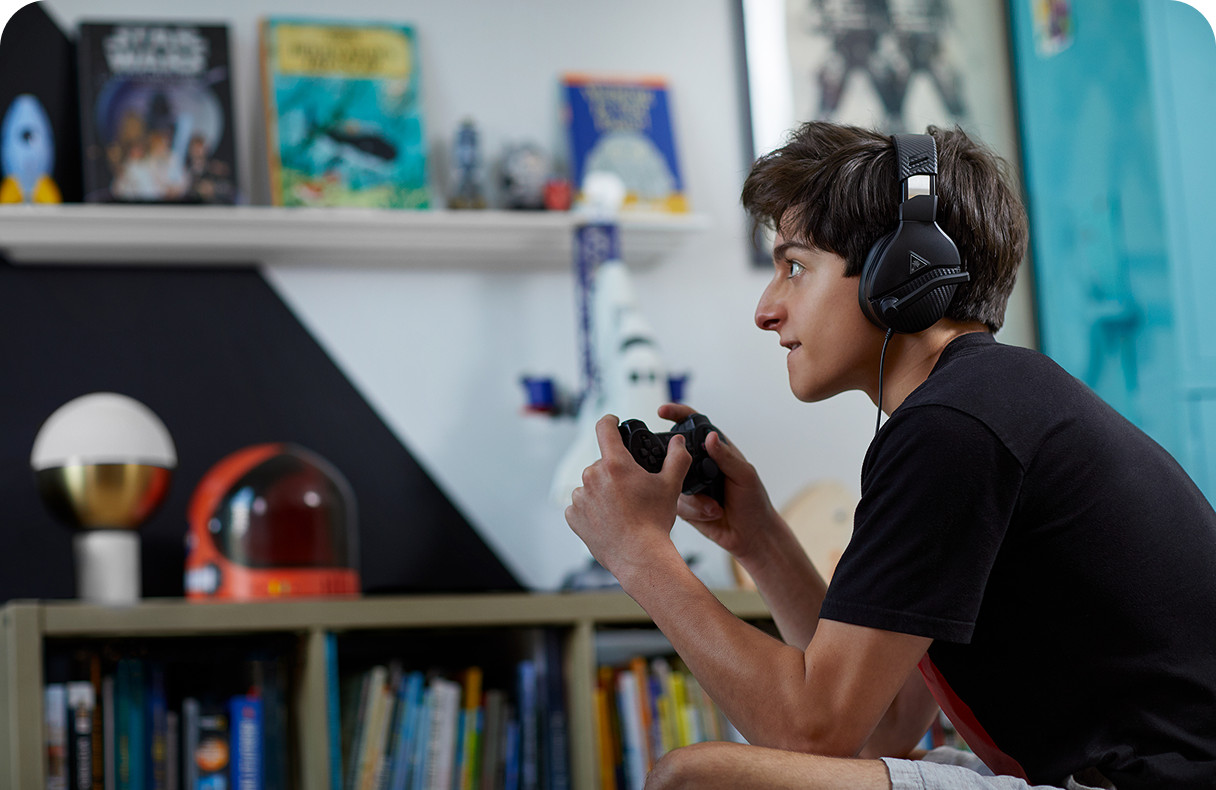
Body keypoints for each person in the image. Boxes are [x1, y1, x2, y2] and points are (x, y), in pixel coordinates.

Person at [564, 121, 1216, 790]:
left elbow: (813, 731)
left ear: (903, 270)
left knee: (700, 778)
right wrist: (758, 539)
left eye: (794, 266)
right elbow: (886, 722)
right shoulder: (981, 403)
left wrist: (638, 553)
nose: (767, 309)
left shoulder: (955, 424)